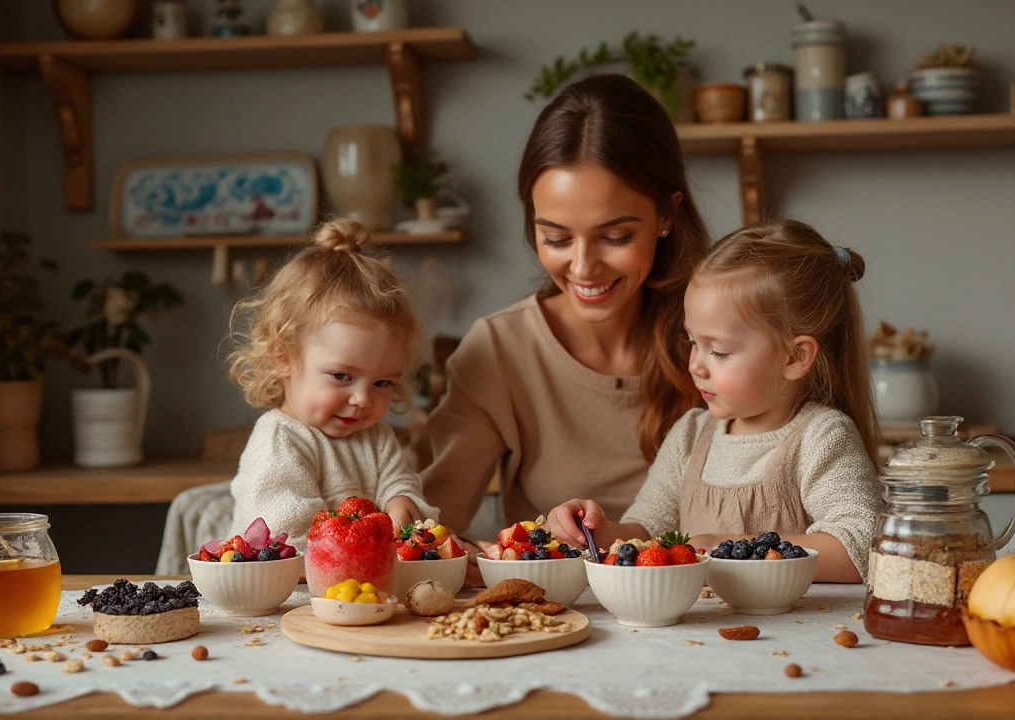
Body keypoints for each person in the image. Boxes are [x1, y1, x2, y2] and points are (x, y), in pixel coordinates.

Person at [421, 74, 711, 569]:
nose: (582, 268)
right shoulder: (497, 349)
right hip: (558, 622)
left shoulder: (721, 340)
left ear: (667, 214)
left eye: (615, 236)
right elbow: (432, 532)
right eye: (555, 238)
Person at [547, 220, 883, 583]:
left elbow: (861, 548)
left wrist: (724, 548)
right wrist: (594, 530)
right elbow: (646, 534)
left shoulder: (821, 437)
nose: (695, 365)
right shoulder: (691, 434)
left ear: (794, 358)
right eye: (693, 341)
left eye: (719, 351)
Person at [225, 218, 438, 548]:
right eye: (342, 376)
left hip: (357, 592)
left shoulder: (377, 438)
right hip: (287, 596)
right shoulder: (280, 440)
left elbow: (402, 485)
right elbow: (283, 540)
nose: (362, 399)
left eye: (382, 382)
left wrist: (401, 505)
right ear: (283, 356)